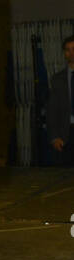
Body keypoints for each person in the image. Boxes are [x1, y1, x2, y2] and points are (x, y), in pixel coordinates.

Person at [47, 33, 74, 164]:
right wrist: (54, 137)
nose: (71, 53)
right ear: (64, 53)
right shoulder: (57, 79)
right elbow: (52, 110)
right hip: (66, 134)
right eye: (68, 50)